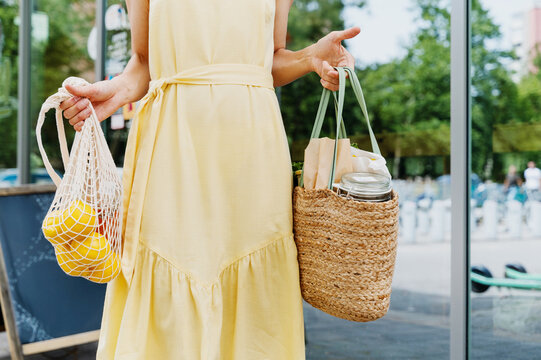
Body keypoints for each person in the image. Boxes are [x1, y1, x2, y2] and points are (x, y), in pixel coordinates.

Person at [59, 0, 360, 358]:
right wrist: (115, 93)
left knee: (255, 282)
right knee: (168, 266)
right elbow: (143, 64)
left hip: (253, 150)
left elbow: (270, 60)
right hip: (171, 143)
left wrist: (310, 57)